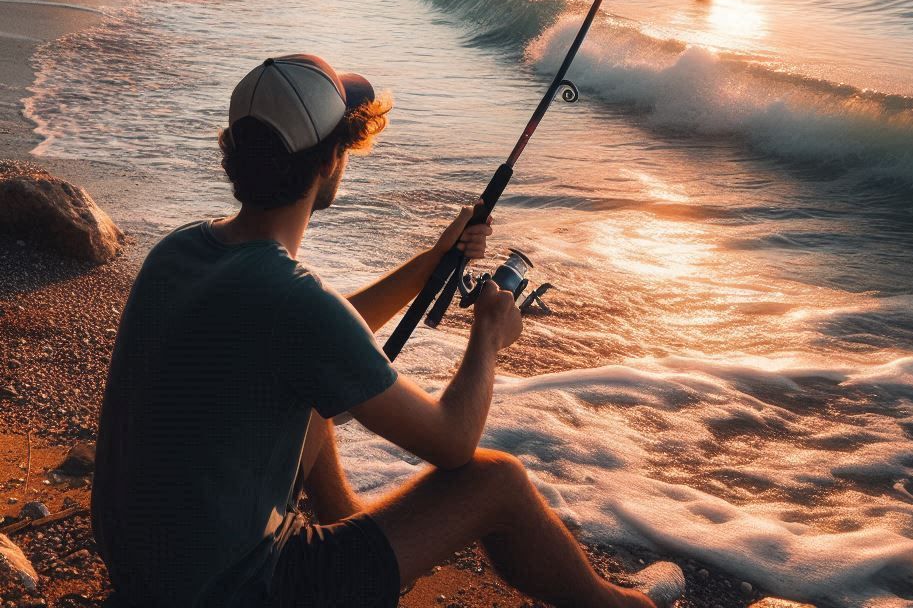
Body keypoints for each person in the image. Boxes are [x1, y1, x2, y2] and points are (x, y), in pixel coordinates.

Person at [92, 54, 681, 608]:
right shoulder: (292, 299)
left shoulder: (182, 250)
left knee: (311, 389)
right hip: (239, 589)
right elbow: (452, 443)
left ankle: (344, 521)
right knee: (498, 480)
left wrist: (432, 261)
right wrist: (488, 339)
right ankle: (623, 604)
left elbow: (314, 336)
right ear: (330, 160)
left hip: (149, 573)